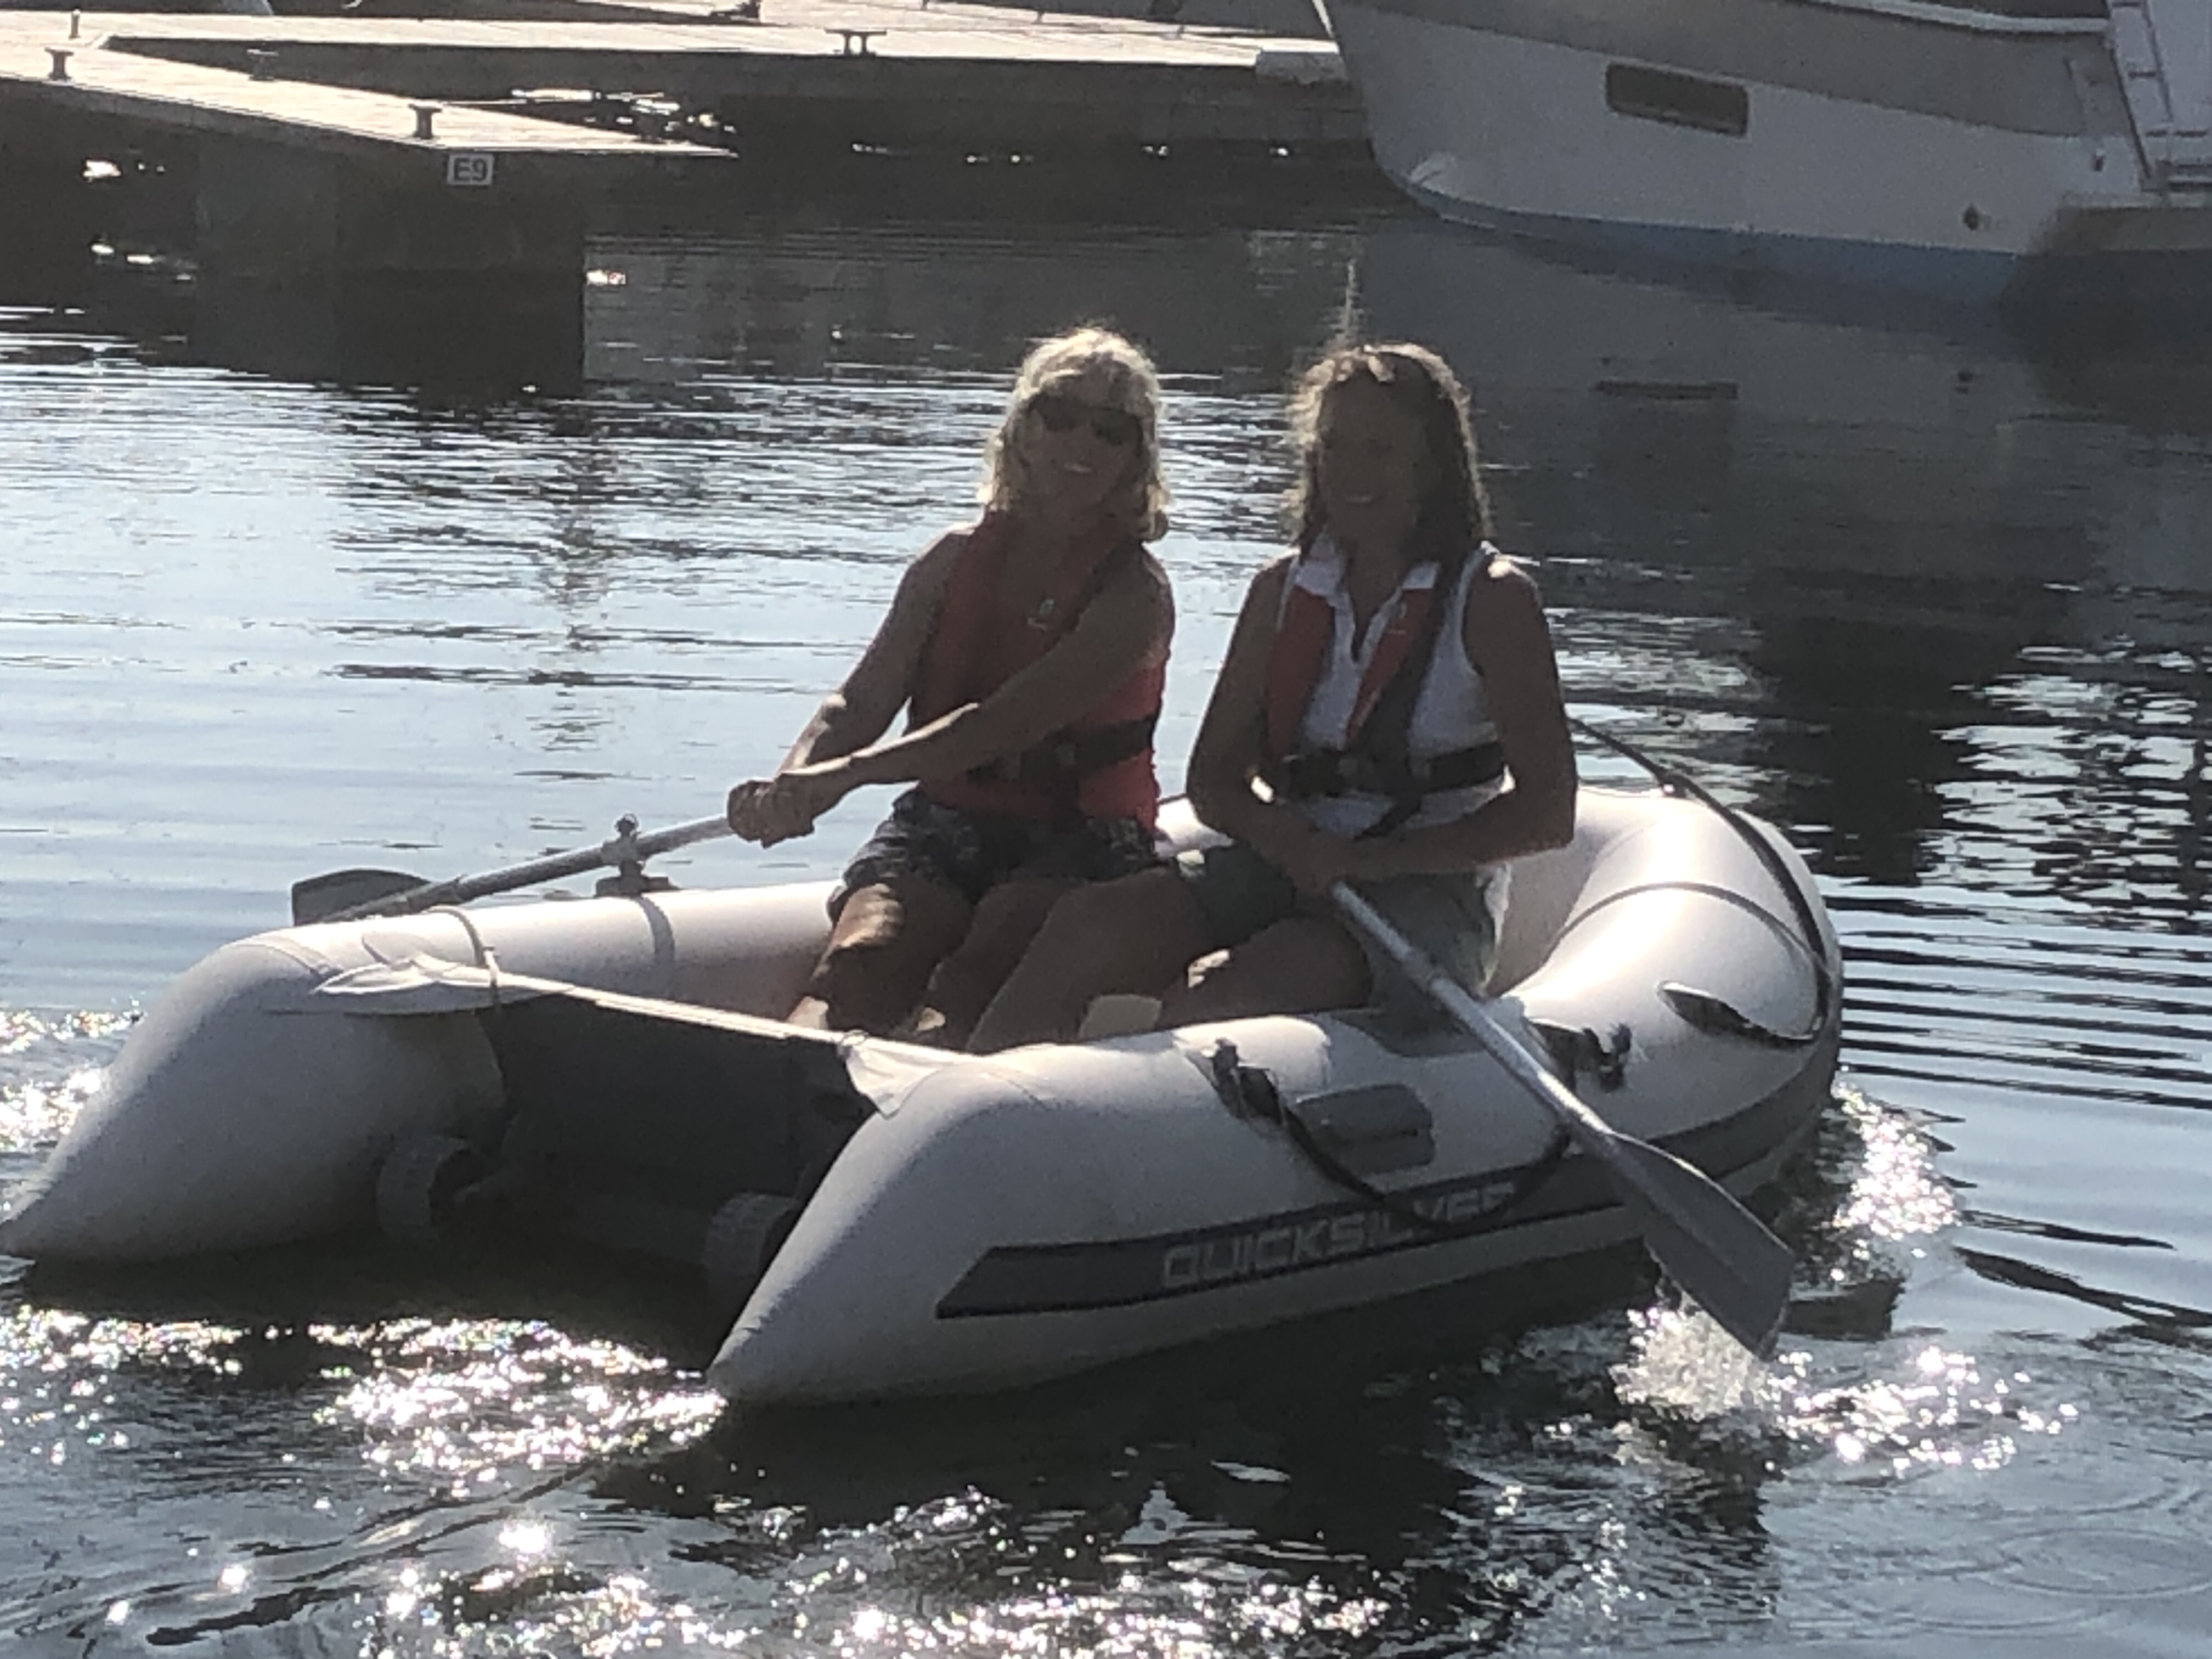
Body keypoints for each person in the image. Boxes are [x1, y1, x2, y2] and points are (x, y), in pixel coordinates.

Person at [967, 340, 1574, 1051]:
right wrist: (1289, 841)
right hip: (1286, 861)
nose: (1351, 472)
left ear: (1433, 464)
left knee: (1229, 991)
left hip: (1426, 893)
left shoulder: (1493, 601)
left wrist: (1370, 863)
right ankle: (977, 1091)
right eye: (1334, 447)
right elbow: (1214, 781)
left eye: (1380, 451)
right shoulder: (1281, 591)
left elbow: (1548, 815)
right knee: (1083, 927)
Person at [725, 326, 1176, 1041]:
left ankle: (926, 1076)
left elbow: (997, 726)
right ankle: (787, 1077)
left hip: (1081, 836)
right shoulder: (949, 561)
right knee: (861, 961)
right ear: (1022, 428)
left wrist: (844, 776)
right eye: (1059, 416)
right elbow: (860, 701)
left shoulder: (1133, 595)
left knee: (978, 968)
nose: (1081, 443)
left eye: (1110, 430)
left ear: (1135, 457)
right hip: (947, 819)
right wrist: (795, 781)